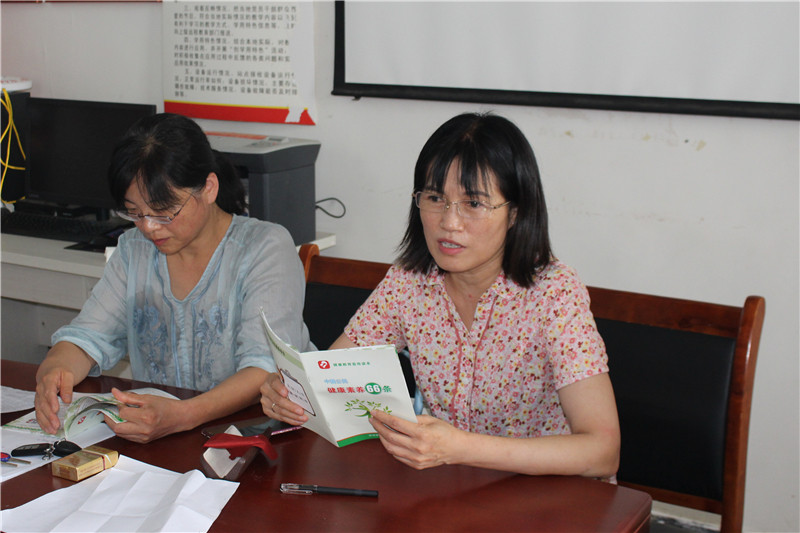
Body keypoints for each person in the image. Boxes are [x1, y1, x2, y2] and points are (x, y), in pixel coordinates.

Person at [261, 112, 620, 478]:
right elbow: (329, 378)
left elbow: (603, 452)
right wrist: (292, 392)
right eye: (435, 198)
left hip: (545, 493)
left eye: (474, 203)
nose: (449, 222)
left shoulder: (554, 293)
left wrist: (461, 448)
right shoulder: (409, 283)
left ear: (515, 213)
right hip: (449, 487)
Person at [35, 113, 312, 443]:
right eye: (134, 213)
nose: (149, 227)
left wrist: (183, 415)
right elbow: (88, 336)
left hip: (253, 438)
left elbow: (263, 368)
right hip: (161, 436)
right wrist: (55, 369)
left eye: (164, 212)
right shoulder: (134, 249)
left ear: (208, 188)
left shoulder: (264, 248)